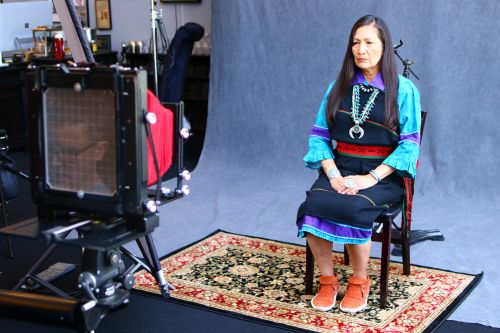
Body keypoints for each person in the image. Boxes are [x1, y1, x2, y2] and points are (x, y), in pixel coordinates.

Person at [296, 15, 421, 313]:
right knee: (311, 206)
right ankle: (328, 280)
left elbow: (409, 146)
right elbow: (319, 136)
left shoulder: (403, 90)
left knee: (353, 208)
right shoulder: (338, 87)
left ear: (384, 46)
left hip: (383, 176)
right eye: (356, 42)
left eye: (369, 42)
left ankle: (359, 280)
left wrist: (372, 178)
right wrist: (333, 173)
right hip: (341, 169)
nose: (361, 49)